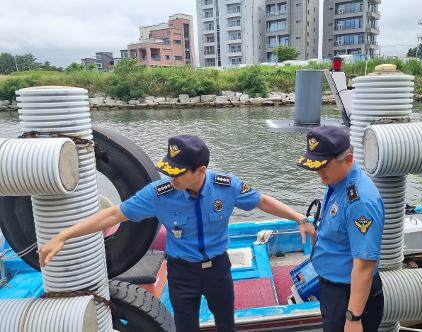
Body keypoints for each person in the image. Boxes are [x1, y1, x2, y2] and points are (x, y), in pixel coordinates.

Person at [39, 134, 315, 332]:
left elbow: (262, 200)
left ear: (201, 171)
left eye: (179, 173)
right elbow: (113, 214)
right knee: (185, 326)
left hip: (218, 268)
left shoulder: (226, 185)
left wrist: (299, 217)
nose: (172, 178)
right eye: (169, 170)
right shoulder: (159, 194)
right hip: (182, 273)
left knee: (226, 324)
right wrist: (64, 235)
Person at [297, 125, 384, 332]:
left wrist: (353, 317)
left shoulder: (360, 202)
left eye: (323, 166)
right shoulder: (337, 181)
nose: (318, 172)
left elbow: (364, 265)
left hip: (349, 296)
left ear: (348, 159)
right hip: (333, 289)